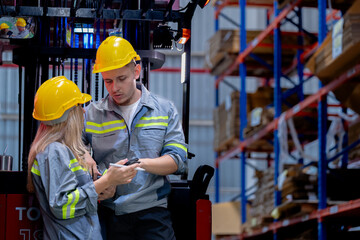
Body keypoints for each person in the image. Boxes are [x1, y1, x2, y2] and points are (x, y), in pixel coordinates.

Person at [83, 36, 188, 240]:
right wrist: (85, 156)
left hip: (152, 213)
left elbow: (177, 160)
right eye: (108, 81)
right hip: (107, 213)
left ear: (136, 71)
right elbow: (69, 148)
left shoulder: (164, 110)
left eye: (121, 79)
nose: (114, 88)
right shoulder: (91, 114)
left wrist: (139, 164)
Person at [27, 76, 140, 240]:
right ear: (67, 114)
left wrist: (104, 186)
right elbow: (62, 206)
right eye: (79, 106)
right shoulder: (54, 151)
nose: (84, 111)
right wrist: (106, 181)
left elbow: (76, 197)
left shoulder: (64, 151)